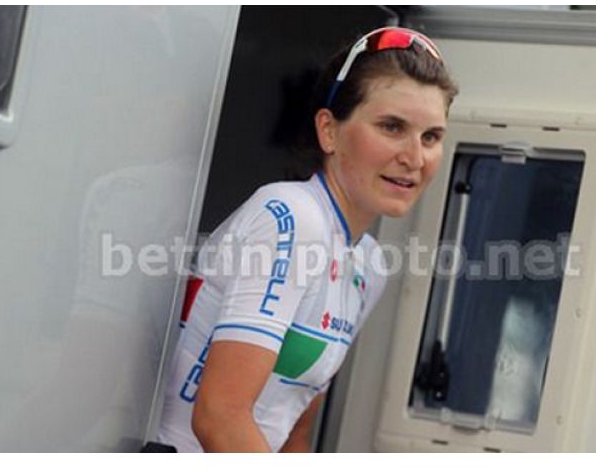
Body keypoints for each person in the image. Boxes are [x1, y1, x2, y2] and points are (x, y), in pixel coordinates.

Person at [155, 26, 459, 452]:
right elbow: (219, 416)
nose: (414, 157)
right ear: (328, 130)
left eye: (431, 137)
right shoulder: (292, 216)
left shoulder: (369, 264)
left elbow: (292, 431)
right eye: (392, 127)